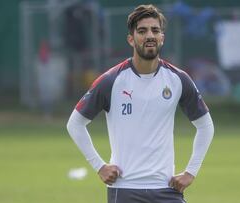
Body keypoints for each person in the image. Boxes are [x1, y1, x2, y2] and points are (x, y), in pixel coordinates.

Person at [66, 4, 214, 203]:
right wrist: (99, 166)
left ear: (162, 37)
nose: (149, 35)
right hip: (124, 189)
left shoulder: (178, 79)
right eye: (142, 31)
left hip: (166, 188)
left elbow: (205, 126)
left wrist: (191, 171)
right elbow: (75, 124)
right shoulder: (111, 80)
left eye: (155, 30)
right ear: (131, 39)